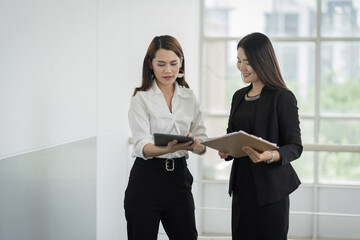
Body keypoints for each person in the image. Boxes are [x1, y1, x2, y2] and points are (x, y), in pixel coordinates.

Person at [218, 32, 303, 240]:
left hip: (271, 192)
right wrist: (226, 150)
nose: (241, 67)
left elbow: (295, 146)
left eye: (247, 62)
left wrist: (270, 156)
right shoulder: (238, 96)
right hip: (242, 188)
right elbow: (233, 134)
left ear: (262, 61)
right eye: (238, 61)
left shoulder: (283, 97)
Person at [124, 35, 207, 240]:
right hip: (146, 180)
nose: (168, 70)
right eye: (161, 64)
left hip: (179, 179)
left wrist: (193, 143)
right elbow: (142, 145)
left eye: (173, 63)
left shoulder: (189, 97)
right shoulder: (141, 98)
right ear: (150, 65)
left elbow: (202, 144)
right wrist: (168, 148)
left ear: (181, 64)